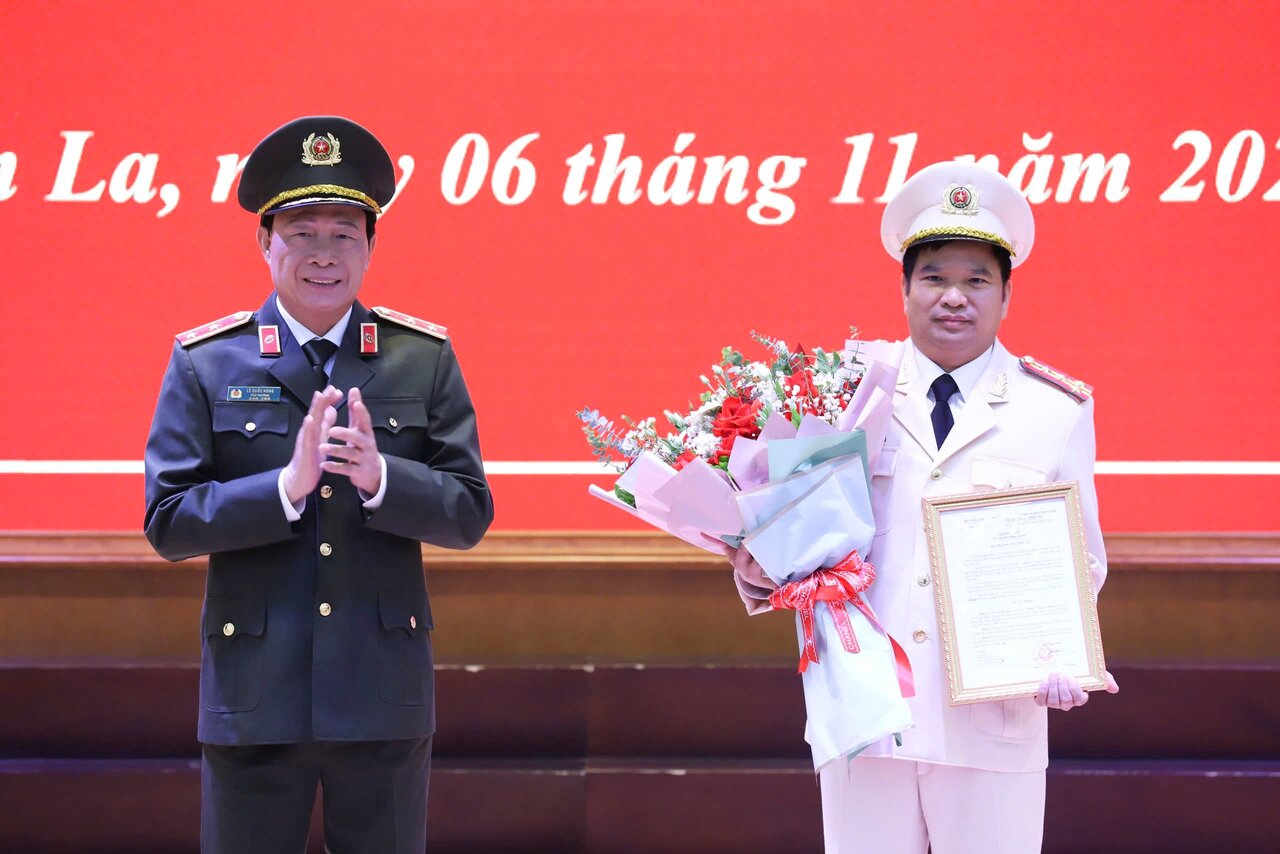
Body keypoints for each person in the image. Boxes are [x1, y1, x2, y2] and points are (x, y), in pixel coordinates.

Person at [143, 115, 493, 853]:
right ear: (265, 241)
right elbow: (169, 520)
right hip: (254, 697)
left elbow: (467, 514)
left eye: (344, 233)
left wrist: (380, 479)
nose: (323, 254)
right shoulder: (208, 362)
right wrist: (284, 488)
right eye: (302, 232)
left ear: (370, 245)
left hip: (383, 698)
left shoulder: (419, 358)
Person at [818, 162, 1118, 853]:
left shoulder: (1055, 410)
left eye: (976, 280)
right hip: (866, 714)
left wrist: (1058, 652)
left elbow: (1083, 558)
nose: (954, 297)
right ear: (904, 289)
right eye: (935, 278)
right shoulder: (845, 394)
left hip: (993, 716)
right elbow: (799, 536)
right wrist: (759, 561)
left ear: (1007, 296)